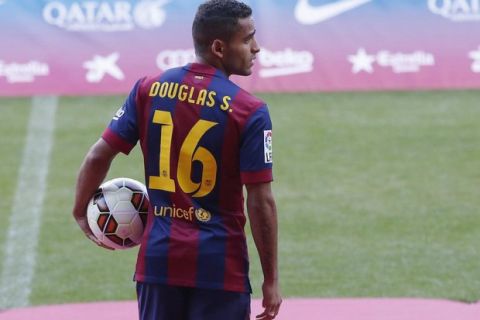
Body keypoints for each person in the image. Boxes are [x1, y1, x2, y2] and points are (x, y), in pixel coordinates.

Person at [72, 0, 282, 319]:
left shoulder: (148, 89)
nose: (256, 48)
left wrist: (80, 210)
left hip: (158, 264)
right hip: (220, 268)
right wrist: (271, 279)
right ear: (218, 47)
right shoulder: (249, 110)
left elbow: (99, 154)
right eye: (248, 38)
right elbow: (261, 201)